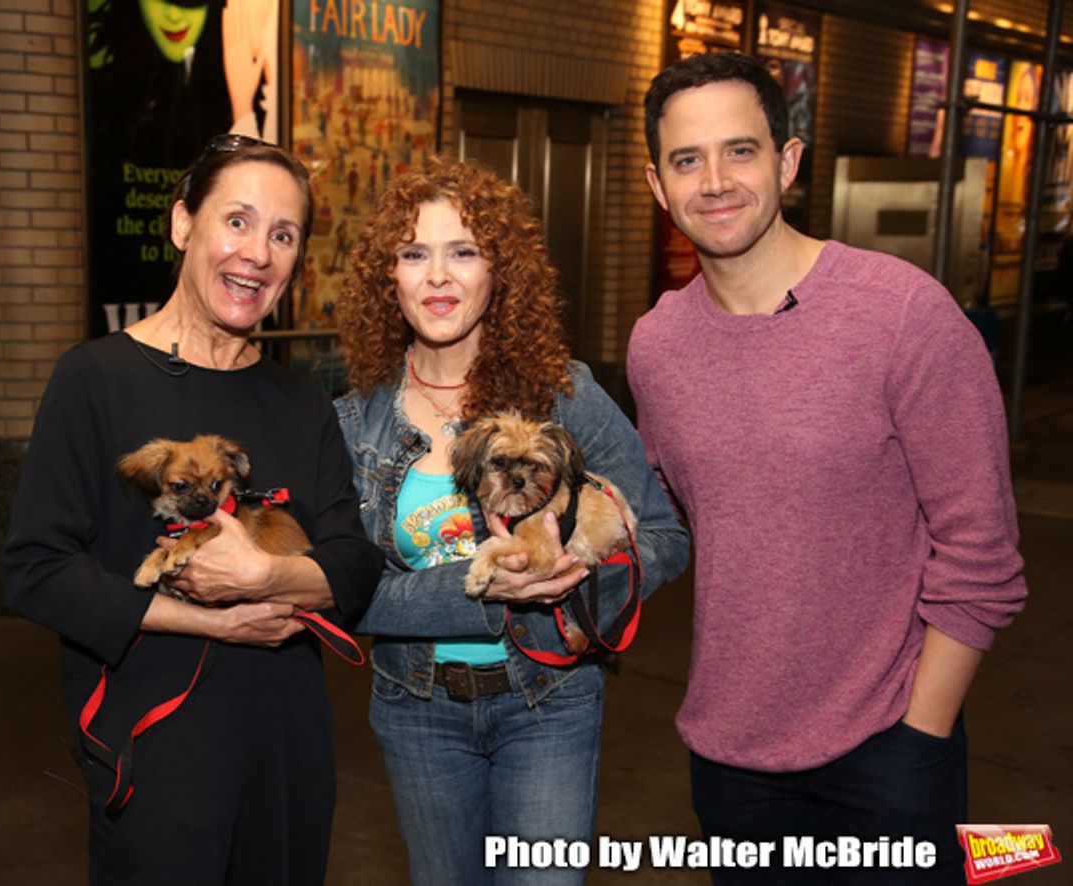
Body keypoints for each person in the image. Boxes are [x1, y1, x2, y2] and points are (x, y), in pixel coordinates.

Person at [629, 52, 1028, 883]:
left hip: (888, 752)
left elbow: (982, 555)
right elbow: (665, 518)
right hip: (730, 758)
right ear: (658, 186)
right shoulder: (657, 346)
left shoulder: (903, 315)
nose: (715, 182)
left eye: (740, 150)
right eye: (687, 159)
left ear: (790, 161)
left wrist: (921, 737)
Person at [1, 135, 382, 885]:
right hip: (155, 741)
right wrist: (214, 617)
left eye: (283, 235)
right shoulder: (93, 379)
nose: (258, 254)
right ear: (182, 225)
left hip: (284, 744)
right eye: (236, 221)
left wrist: (267, 577)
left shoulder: (300, 398)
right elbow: (35, 569)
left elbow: (355, 562)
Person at [334, 156, 690, 885]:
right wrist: (480, 589)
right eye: (414, 254)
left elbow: (665, 535)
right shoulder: (355, 419)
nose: (438, 276)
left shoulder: (566, 395)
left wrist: (580, 577)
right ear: (387, 278)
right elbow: (346, 590)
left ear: (500, 271)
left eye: (462, 251)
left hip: (551, 705)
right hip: (415, 709)